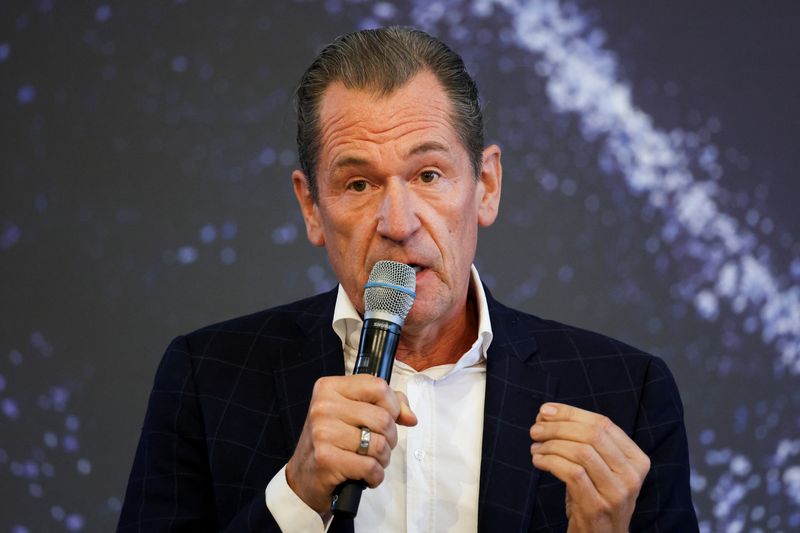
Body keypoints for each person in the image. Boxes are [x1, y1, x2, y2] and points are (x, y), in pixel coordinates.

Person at [118, 27, 698, 532]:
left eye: (427, 173)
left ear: (486, 186)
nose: (398, 223)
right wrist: (295, 499)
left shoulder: (626, 391)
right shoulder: (205, 377)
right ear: (312, 207)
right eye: (359, 185)